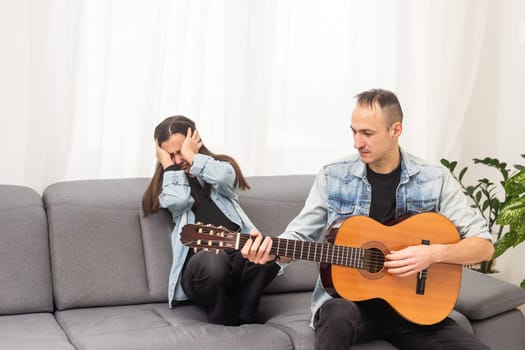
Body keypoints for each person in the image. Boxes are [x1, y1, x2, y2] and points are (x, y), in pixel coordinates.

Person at [242, 89, 494, 349]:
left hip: (416, 310)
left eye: (367, 134)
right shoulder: (334, 176)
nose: (357, 143)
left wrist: (432, 254)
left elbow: (484, 246)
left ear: (395, 130)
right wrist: (270, 253)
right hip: (348, 307)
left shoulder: (435, 179)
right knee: (337, 315)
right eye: (354, 131)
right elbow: (299, 236)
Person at [142, 115, 279, 326]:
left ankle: (246, 315)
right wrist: (169, 167)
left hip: (237, 257)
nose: (178, 160)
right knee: (214, 260)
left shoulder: (219, 169)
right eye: (171, 155)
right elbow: (180, 200)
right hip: (201, 271)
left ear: (195, 141)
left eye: (181, 151)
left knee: (267, 250)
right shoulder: (169, 185)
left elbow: (225, 178)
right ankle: (223, 317)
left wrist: (192, 155)